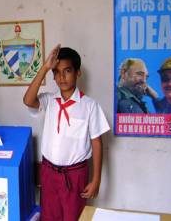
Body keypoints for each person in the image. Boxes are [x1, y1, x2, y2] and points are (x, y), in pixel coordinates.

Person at [23, 45, 110, 220]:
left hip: (75, 176)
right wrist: (46, 67)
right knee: (49, 216)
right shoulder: (49, 101)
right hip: (49, 172)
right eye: (56, 72)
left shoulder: (89, 106)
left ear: (78, 73)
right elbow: (28, 100)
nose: (61, 77)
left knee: (74, 217)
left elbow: (97, 143)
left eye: (67, 71)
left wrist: (96, 180)